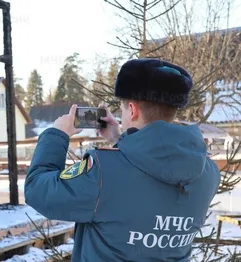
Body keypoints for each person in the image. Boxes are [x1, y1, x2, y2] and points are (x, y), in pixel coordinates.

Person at [24, 58, 221, 262]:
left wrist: (57, 135)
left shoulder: (102, 172)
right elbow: (150, 182)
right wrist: (119, 140)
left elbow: (37, 190)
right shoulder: (208, 173)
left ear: (133, 110)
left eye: (123, 109)